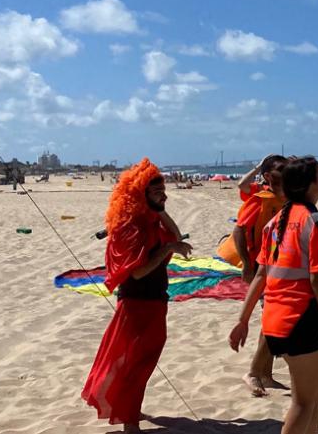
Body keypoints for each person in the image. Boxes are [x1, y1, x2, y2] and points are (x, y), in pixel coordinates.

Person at [229, 157, 318, 434]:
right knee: (303, 402)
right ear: (306, 184)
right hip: (301, 318)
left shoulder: (277, 221)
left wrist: (243, 320)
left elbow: (260, 275)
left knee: (316, 389)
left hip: (275, 320)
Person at [82, 159, 191, 433]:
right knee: (132, 364)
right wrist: (168, 250)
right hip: (137, 304)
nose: (164, 195)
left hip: (156, 301)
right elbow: (139, 272)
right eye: (157, 192)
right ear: (139, 195)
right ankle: (129, 422)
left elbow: (176, 235)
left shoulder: (150, 219)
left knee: (144, 362)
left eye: (164, 191)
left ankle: (131, 409)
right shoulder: (130, 227)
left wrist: (158, 208)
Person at [229, 154, 287, 396]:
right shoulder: (260, 197)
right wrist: (246, 264)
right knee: (270, 320)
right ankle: (254, 372)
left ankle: (266, 373)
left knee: (273, 319)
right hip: (261, 265)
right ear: (268, 176)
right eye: (282, 169)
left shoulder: (286, 198)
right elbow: (239, 230)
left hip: (279, 265)